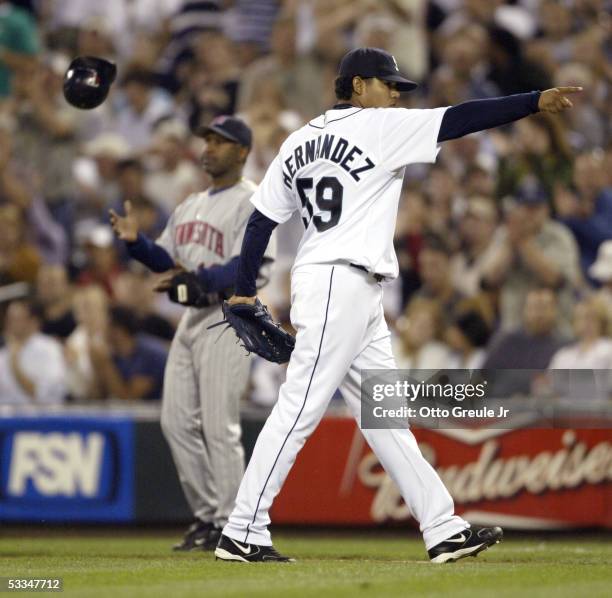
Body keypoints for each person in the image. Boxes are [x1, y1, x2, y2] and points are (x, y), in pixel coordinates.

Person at [213, 47, 580, 563]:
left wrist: (244, 289)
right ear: (359, 85)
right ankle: (243, 529)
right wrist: (532, 101)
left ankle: (442, 528)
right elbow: (460, 119)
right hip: (338, 283)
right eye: (389, 86)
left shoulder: (299, 140)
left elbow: (261, 221)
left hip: (345, 287)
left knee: (385, 416)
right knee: (299, 406)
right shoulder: (378, 127)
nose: (395, 95)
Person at [109, 116, 275, 551]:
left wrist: (198, 279)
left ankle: (235, 524)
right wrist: (136, 244)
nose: (210, 147)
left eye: (221, 142)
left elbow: (249, 265)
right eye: (207, 140)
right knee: (175, 422)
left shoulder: (254, 200)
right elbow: (169, 259)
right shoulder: (190, 204)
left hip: (230, 315)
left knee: (220, 425)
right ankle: (207, 518)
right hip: (192, 320)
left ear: (242, 151)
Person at [0, 298, 67, 404]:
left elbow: (46, 394)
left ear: (33, 322)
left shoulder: (50, 349)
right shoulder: (4, 352)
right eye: (9, 319)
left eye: (17, 319)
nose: (10, 324)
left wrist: (15, 367)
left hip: (41, 417)